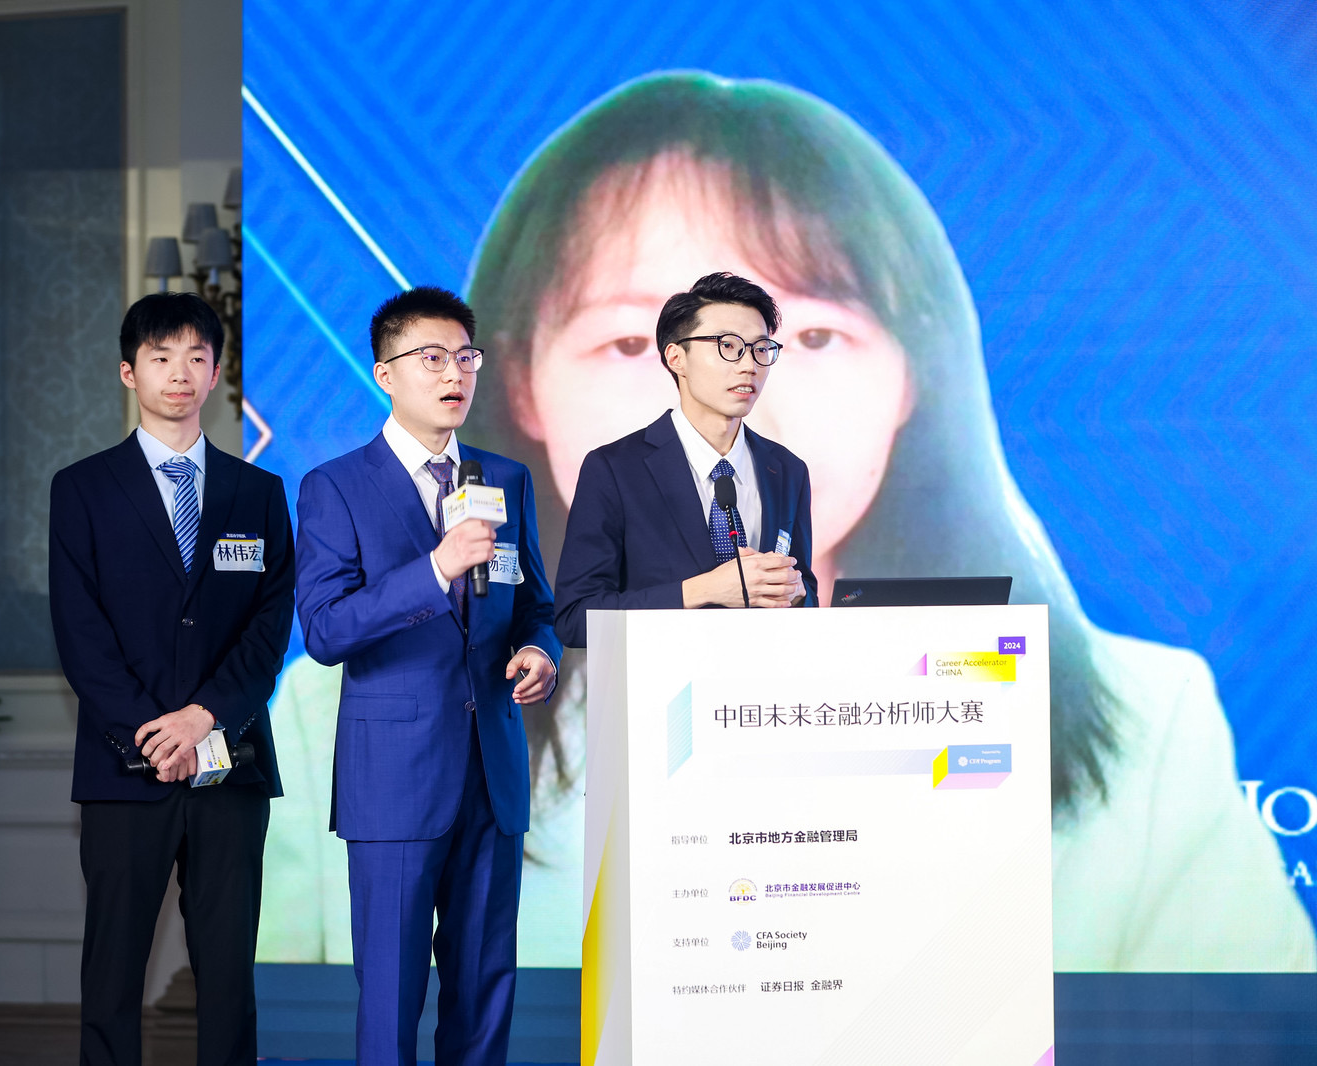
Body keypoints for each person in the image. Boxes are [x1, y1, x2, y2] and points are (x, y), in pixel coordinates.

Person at [459, 70, 1315, 971]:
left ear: (911, 376)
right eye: (636, 345)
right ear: (522, 388)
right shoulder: (376, 703)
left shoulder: (1149, 732)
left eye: (814, 339)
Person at [293, 286, 561, 1065]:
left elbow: (536, 604)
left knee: (483, 994)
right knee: (392, 994)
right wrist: (435, 569)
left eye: (466, 357)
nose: (455, 374)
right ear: (385, 373)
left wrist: (539, 651)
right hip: (397, 783)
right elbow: (326, 630)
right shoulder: (335, 486)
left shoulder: (504, 478)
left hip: (493, 772)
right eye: (432, 358)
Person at [48, 292, 295, 1065]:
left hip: (231, 767)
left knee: (227, 975)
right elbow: (80, 634)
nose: (179, 373)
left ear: (216, 372)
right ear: (129, 372)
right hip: (126, 768)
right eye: (160, 357)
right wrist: (155, 731)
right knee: (113, 973)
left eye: (196, 356)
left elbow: (270, 624)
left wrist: (204, 718)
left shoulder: (258, 493)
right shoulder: (83, 489)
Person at [553, 270, 816, 646]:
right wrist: (703, 590)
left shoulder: (787, 470)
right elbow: (576, 619)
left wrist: (796, 593)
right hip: (662, 695)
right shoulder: (614, 469)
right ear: (676, 357)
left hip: (756, 696)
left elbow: (805, 588)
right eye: (728, 346)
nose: (749, 365)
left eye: (761, 349)